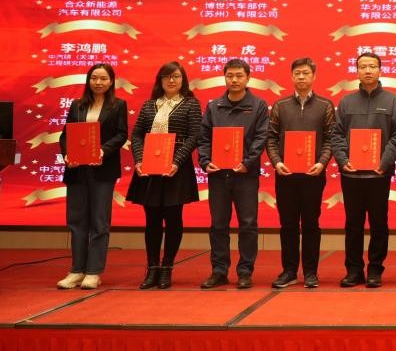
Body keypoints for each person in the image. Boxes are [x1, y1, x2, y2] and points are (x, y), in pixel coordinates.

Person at [330, 52, 396, 288]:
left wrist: (384, 162)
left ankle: (375, 269)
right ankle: (353, 270)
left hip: (379, 174)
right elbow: (337, 135)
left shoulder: (393, 101)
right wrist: (343, 160)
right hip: (351, 173)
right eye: (363, 66)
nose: (368, 70)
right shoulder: (346, 102)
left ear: (380, 70)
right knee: (353, 224)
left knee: (379, 223)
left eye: (372, 66)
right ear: (357, 71)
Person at [128, 61, 202, 290]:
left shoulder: (190, 104)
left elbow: (194, 135)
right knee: (151, 220)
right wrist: (139, 160)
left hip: (175, 170)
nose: (171, 80)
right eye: (167, 76)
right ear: (160, 80)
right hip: (149, 170)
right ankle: (152, 268)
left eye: (176, 76)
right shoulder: (149, 104)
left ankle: (167, 267)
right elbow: (137, 134)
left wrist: (176, 161)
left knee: (173, 218)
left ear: (183, 80)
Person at [198, 58, 269, 290]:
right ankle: (219, 271)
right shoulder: (214, 106)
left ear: (248, 78)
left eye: (239, 75)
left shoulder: (258, 105)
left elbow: (261, 137)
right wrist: (205, 161)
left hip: (245, 175)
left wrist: (247, 162)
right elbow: (204, 138)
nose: (234, 80)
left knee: (248, 224)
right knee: (218, 224)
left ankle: (245, 271)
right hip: (218, 175)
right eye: (230, 76)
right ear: (225, 77)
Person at [55, 63, 128, 290]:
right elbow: (65, 135)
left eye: (103, 78)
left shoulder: (118, 105)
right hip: (77, 170)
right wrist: (67, 154)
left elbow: (121, 134)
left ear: (111, 81)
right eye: (94, 78)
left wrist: (102, 150)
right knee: (76, 221)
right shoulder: (77, 105)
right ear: (88, 80)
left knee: (99, 221)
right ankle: (77, 270)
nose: (98, 82)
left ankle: (94, 271)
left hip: (102, 170)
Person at [265, 58, 335, 289]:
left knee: (311, 223)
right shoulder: (280, 105)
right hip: (285, 175)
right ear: (291, 76)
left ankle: (311, 272)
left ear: (314, 76)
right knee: (288, 224)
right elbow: (271, 138)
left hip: (313, 175)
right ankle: (289, 271)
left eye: (306, 73)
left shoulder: (325, 105)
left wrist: (322, 163)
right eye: (297, 73)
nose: (301, 77)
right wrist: (276, 162)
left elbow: (330, 139)